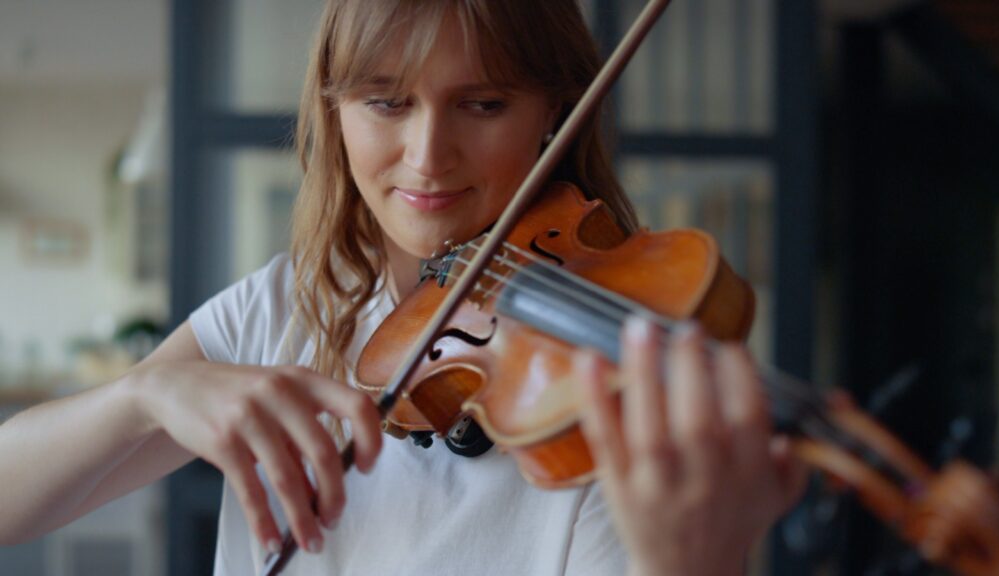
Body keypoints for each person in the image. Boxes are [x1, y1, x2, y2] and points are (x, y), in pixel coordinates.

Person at [0, 1, 807, 575]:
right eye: (386, 102)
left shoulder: (601, 392)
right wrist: (146, 394)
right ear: (334, 110)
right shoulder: (286, 307)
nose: (428, 155)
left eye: (484, 104)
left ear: (553, 115)